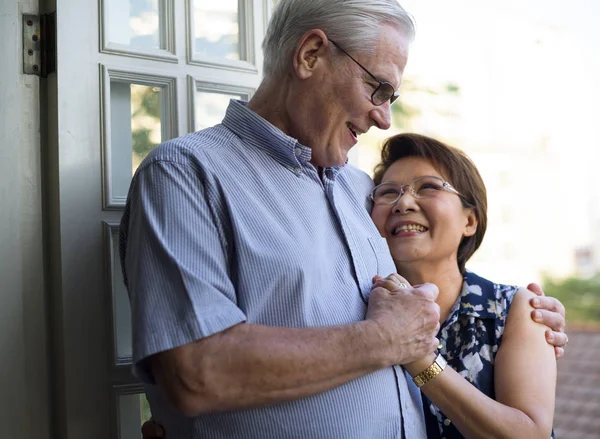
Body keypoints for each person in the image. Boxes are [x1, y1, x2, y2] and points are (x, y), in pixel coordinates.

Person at [120, 1, 567, 438]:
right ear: (311, 54)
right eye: (379, 89)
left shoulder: (362, 193)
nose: (384, 117)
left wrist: (528, 319)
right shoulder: (186, 174)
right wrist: (385, 338)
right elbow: (196, 373)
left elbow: (428, 272)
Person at [369, 133, 556, 438]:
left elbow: (529, 434)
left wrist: (418, 356)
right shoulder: (355, 307)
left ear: (470, 221)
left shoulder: (515, 308)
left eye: (427, 187)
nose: (403, 202)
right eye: (387, 193)